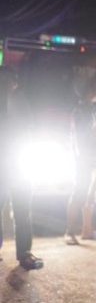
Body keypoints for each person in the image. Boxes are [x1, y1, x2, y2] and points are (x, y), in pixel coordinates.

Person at [0, 66, 43, 269]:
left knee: (23, 211)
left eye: (11, 80)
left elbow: (31, 128)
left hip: (20, 164)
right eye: (6, 80)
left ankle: (25, 253)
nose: (10, 84)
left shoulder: (21, 101)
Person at [64, 79, 96, 245]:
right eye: (94, 89)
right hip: (85, 161)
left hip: (95, 160)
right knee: (79, 195)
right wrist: (85, 160)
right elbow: (80, 140)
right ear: (88, 92)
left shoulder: (91, 111)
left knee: (91, 197)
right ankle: (69, 232)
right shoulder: (80, 112)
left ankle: (87, 230)